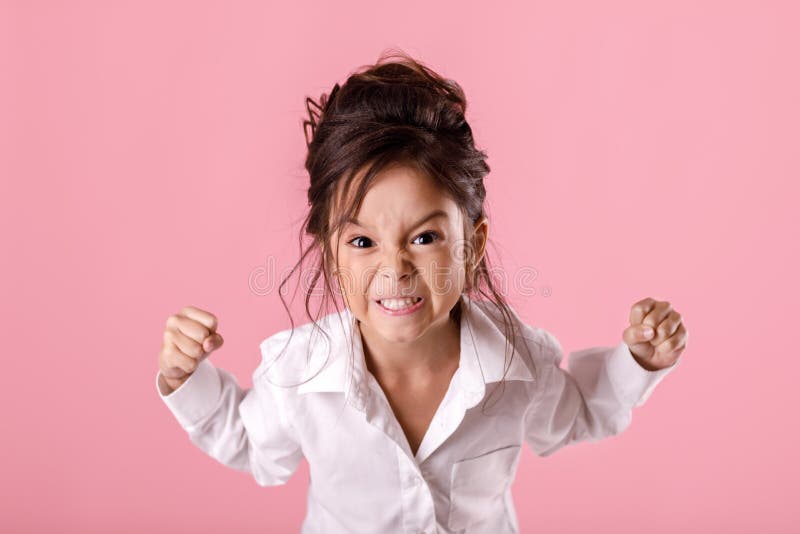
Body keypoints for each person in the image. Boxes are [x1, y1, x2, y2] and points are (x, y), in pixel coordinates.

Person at [155, 49, 688, 534]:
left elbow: (577, 414)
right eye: (362, 241)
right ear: (330, 256)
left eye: (425, 237)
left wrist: (636, 360)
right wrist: (185, 376)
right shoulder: (301, 371)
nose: (396, 269)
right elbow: (251, 444)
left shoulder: (516, 361)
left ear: (473, 246)